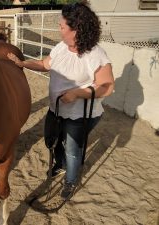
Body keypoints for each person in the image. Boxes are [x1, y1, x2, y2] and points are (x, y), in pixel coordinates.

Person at [8, 2, 114, 200]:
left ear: (76, 30)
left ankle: (71, 181)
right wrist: (22, 63)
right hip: (56, 109)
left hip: (79, 114)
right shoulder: (61, 48)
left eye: (62, 26)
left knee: (73, 150)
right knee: (53, 139)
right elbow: (44, 64)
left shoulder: (95, 55)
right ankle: (60, 164)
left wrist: (76, 93)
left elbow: (107, 86)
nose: (59, 29)